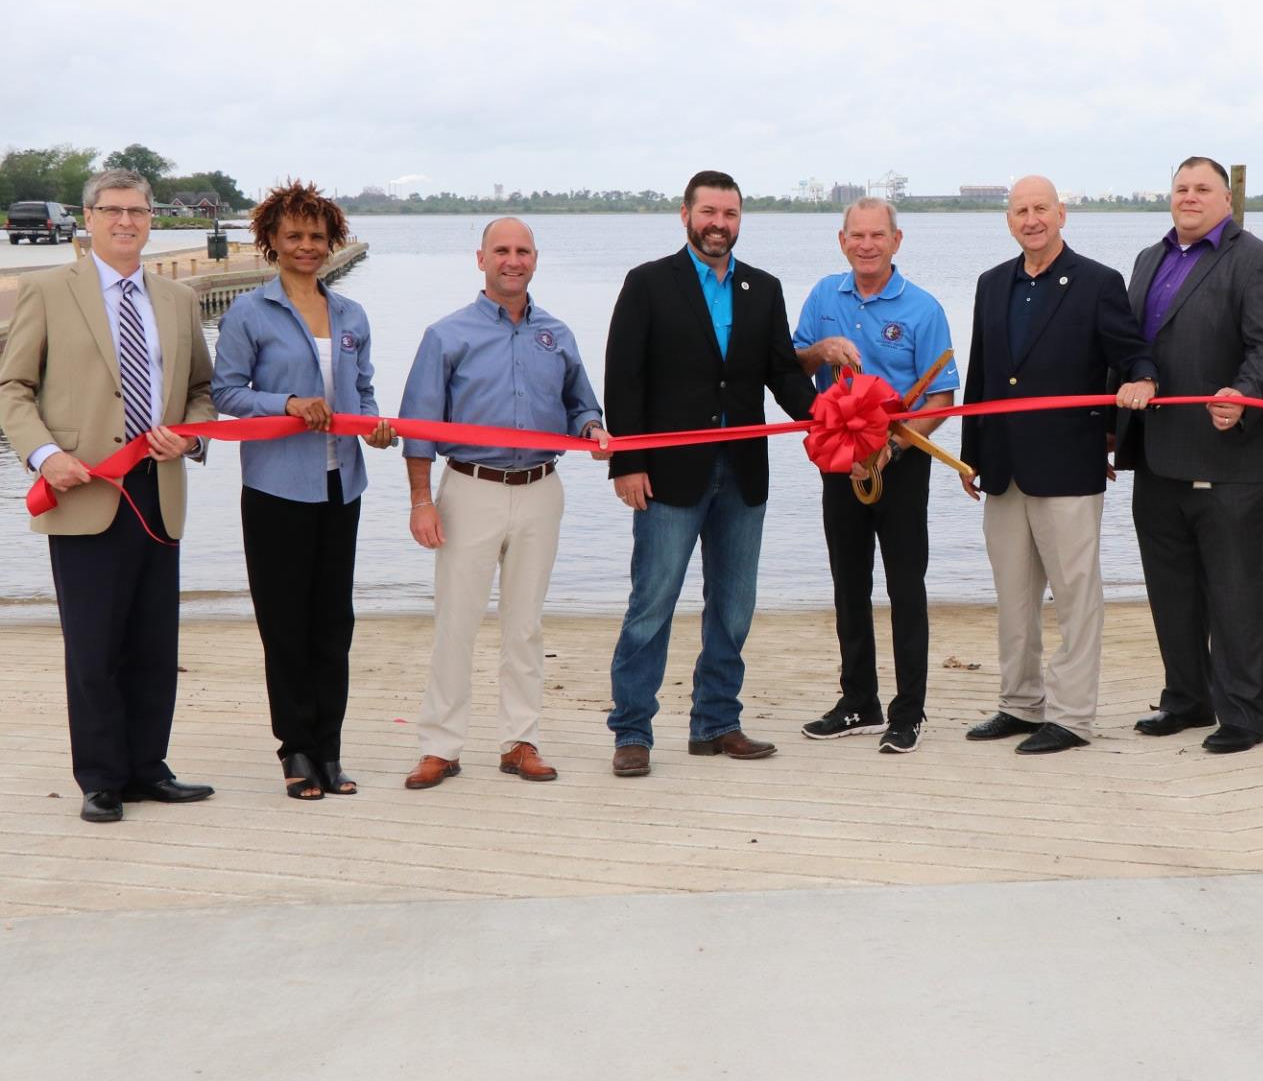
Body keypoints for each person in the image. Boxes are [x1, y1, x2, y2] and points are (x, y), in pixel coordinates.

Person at [0, 169, 216, 823]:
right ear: (87, 218)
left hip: (158, 492)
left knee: (154, 643)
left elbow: (202, 392)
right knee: (93, 645)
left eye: (138, 211)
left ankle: (148, 768)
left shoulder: (177, 300)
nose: (127, 221)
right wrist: (45, 455)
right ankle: (99, 777)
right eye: (113, 210)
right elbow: (12, 389)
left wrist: (192, 437)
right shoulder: (44, 291)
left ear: (152, 220)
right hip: (84, 490)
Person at [604, 171, 817, 777]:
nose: (719, 223)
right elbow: (625, 378)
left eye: (730, 213)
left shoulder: (763, 288)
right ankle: (632, 731)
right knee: (652, 604)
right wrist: (628, 462)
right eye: (709, 211)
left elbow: (783, 374)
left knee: (734, 606)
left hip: (744, 471)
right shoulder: (647, 283)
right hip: (667, 473)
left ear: (740, 219)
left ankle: (716, 723)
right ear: (686, 215)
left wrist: (833, 420)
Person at [397, 217, 608, 790]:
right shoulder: (446, 335)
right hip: (470, 489)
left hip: (542, 491)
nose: (512, 261)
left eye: (522, 251)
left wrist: (591, 429)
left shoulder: (557, 334)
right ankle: (441, 746)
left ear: (535, 259)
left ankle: (520, 742)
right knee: (455, 624)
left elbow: (580, 404)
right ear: (480, 258)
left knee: (525, 626)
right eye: (501, 251)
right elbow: (417, 426)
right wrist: (422, 501)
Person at [959, 175, 1156, 754]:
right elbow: (982, 374)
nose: (1030, 218)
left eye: (1040, 208)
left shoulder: (1098, 282)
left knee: (1075, 598)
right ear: (1009, 220)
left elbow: (1129, 351)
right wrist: (970, 453)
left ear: (1061, 214)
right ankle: (1019, 704)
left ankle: (1071, 717)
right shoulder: (991, 284)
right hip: (1001, 466)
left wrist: (1143, 379)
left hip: (1069, 465)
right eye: (1020, 210)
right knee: (1014, 597)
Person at [212, 181, 396, 800]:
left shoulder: (351, 316)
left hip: (341, 487)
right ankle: (295, 748)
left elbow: (363, 391)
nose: (307, 246)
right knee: (285, 623)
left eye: (317, 236)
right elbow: (227, 395)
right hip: (275, 489)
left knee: (332, 623)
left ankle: (330, 749)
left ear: (332, 241)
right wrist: (287, 404)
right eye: (293, 235)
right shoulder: (248, 314)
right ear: (270, 241)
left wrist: (373, 424)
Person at [1116, 156, 1263, 754]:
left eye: (1203, 189)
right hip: (1157, 454)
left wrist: (1244, 395)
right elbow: (1134, 349)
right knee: (1170, 587)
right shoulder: (1149, 259)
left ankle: (1244, 713)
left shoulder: (1261, 260)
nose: (1190, 198)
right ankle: (1186, 699)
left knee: (1234, 589)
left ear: (1227, 199)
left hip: (1229, 454)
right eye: (1181, 188)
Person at [792, 197, 959, 755]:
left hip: (900, 464)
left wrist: (890, 447)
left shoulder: (924, 308)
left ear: (896, 240)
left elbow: (940, 396)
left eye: (877, 236)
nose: (867, 245)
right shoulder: (823, 296)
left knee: (906, 588)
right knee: (848, 583)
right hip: (838, 461)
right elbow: (794, 366)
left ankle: (907, 711)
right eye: (856, 236)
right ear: (842, 241)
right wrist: (821, 349)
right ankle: (857, 701)